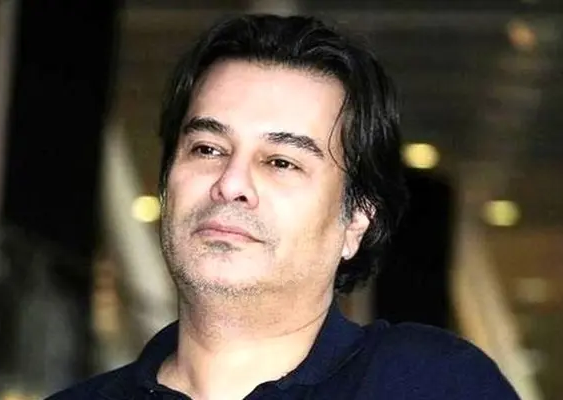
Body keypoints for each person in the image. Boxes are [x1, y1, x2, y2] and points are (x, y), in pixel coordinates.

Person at [48, 14, 520, 400]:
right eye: (208, 149)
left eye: (281, 162)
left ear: (356, 220)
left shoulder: (432, 385)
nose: (231, 183)